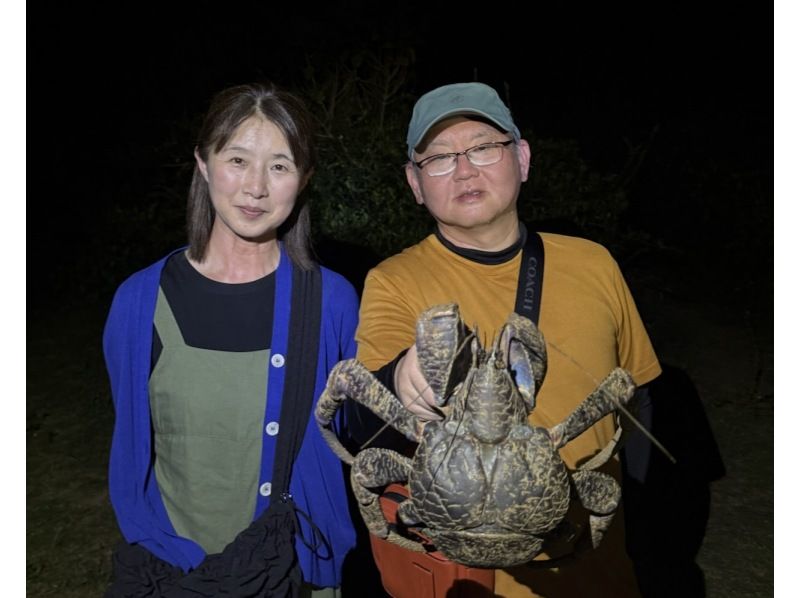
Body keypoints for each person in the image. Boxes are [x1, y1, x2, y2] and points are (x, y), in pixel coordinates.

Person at [353, 82, 662, 597]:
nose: (465, 169)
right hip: (467, 582)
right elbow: (365, 415)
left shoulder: (594, 263)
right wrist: (405, 379)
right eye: (440, 158)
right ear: (414, 182)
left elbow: (640, 399)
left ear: (521, 157)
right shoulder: (393, 281)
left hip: (592, 574)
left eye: (482, 147)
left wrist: (645, 524)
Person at [102, 82, 359, 597]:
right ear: (203, 162)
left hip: (295, 573)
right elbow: (134, 442)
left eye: (280, 166)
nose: (256, 187)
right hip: (175, 573)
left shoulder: (332, 301)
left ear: (304, 179)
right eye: (238, 159)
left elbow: (347, 436)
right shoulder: (138, 303)